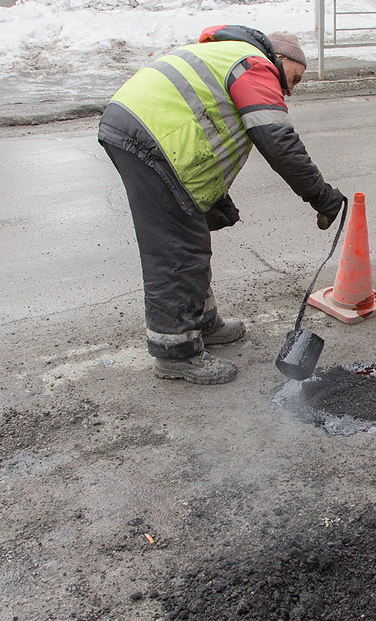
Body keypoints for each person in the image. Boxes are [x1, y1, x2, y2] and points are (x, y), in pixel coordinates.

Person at [99, 25, 344, 384]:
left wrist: (214, 198)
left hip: (145, 130)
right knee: (174, 247)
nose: (291, 89)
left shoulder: (231, 57)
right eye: (295, 77)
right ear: (282, 60)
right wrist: (320, 194)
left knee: (190, 236)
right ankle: (176, 354)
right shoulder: (255, 65)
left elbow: (211, 133)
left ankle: (202, 322)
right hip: (149, 135)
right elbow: (277, 141)